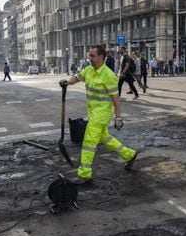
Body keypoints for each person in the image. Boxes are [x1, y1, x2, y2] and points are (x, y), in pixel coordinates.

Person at [59, 44, 138, 185]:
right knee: (105, 138)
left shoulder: (108, 75)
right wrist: (67, 82)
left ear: (101, 57)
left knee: (89, 142)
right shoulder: (89, 70)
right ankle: (129, 154)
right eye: (89, 55)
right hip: (93, 112)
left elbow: (116, 99)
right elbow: (77, 77)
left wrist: (118, 117)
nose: (90, 58)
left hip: (101, 115)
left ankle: (84, 174)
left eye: (93, 56)